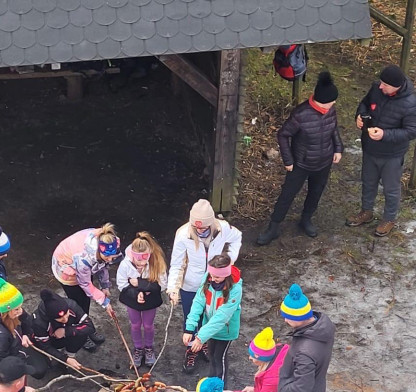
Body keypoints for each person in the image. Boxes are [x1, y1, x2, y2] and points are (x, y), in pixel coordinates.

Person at [257, 71, 343, 245]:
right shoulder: (301, 114)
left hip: (324, 162)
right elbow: (283, 135)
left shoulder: (330, 111)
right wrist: (288, 160)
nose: (334, 103)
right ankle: (273, 227)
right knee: (287, 195)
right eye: (332, 101)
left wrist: (338, 149)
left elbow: (334, 129)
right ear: (322, 101)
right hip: (301, 164)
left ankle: (306, 219)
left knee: (316, 192)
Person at [167, 199, 242, 372]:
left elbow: (237, 237)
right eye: (196, 227)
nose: (199, 230)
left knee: (211, 314)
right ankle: (191, 348)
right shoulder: (183, 234)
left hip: (216, 281)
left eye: (203, 227)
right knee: (191, 316)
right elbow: (176, 263)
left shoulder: (223, 228)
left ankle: (204, 342)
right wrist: (173, 288)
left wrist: (229, 260)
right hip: (191, 284)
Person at [346, 64, 416, 237]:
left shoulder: (410, 104)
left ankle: (389, 219)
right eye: (381, 82)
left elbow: (411, 131)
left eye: (385, 84)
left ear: (396, 86)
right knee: (368, 182)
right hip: (370, 148)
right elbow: (365, 104)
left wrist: (385, 134)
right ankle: (366, 212)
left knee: (391, 189)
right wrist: (359, 116)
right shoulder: (376, 88)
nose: (380, 86)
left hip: (392, 155)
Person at [52, 223, 120, 350]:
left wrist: (105, 285)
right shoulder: (85, 259)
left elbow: (103, 265)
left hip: (84, 267)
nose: (110, 260)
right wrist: (104, 302)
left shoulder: (110, 242)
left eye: (113, 256)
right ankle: (80, 334)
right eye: (107, 257)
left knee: (85, 301)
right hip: (66, 269)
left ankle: (87, 327)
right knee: (77, 304)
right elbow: (85, 284)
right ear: (99, 251)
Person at [181, 249, 242, 382]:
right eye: (211, 276)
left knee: (219, 358)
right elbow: (198, 301)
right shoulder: (208, 278)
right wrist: (189, 327)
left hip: (225, 330)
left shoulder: (235, 289)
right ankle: (211, 382)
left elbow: (221, 317)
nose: (213, 279)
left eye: (217, 277)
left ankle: (220, 390)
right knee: (212, 355)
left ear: (226, 275)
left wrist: (200, 337)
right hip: (209, 328)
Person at [0, 277, 48, 381]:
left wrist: (25, 334)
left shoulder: (12, 313)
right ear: (6, 310)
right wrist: (20, 389)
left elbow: (28, 322)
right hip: (8, 362)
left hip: (16, 348)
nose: (21, 311)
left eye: (20, 307)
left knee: (40, 369)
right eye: (17, 309)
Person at [116, 231, 167, 367]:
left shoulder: (156, 262)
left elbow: (162, 284)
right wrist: (135, 293)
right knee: (135, 324)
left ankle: (149, 348)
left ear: (149, 256)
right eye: (137, 261)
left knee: (148, 325)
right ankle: (138, 348)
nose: (140, 265)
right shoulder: (125, 264)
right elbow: (121, 284)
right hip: (132, 299)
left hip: (151, 299)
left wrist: (142, 285)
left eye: (144, 261)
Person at [224, 327, 289, 392]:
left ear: (262, 358)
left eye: (253, 356)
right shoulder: (278, 352)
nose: (249, 358)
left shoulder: (273, 377)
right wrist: (256, 389)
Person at [29, 289, 95, 370]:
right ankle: (57, 358)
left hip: (65, 335)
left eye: (66, 314)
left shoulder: (72, 305)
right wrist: (64, 359)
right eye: (60, 318)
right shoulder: (39, 323)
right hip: (50, 341)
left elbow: (90, 326)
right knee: (43, 367)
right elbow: (45, 346)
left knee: (82, 333)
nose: (65, 319)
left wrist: (66, 331)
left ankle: (70, 355)